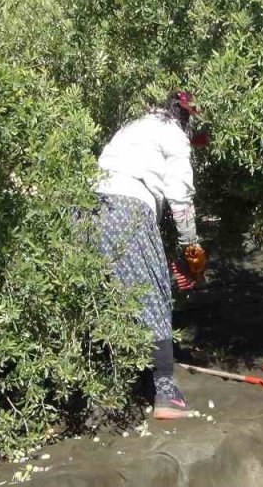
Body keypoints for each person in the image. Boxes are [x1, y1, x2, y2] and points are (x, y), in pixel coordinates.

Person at [91, 91, 208, 420]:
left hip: (87, 207)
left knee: (104, 295)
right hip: (128, 209)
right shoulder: (174, 134)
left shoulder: (133, 126)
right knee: (153, 294)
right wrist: (190, 246)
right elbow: (180, 196)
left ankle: (101, 387)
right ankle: (165, 391)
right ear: (186, 119)